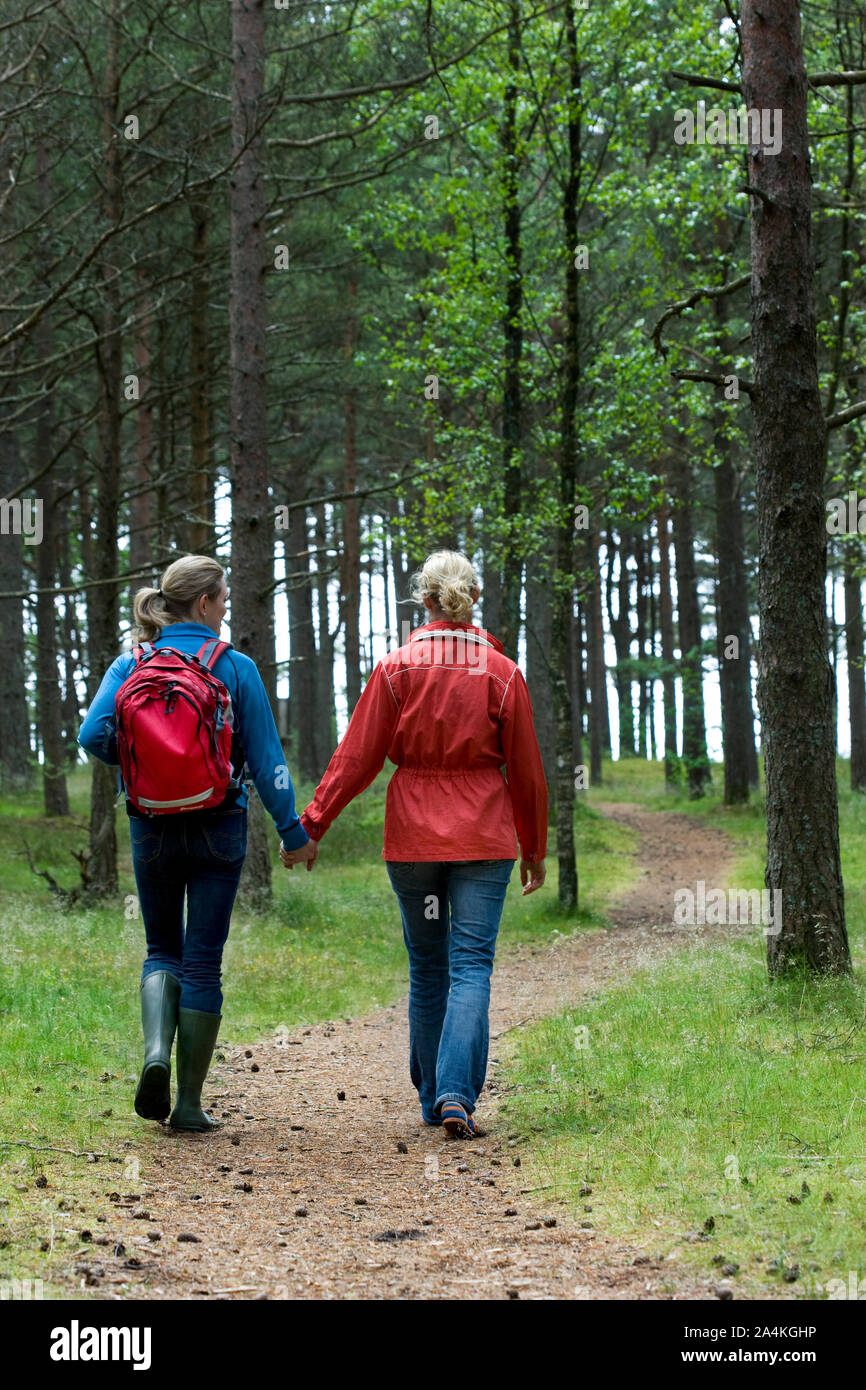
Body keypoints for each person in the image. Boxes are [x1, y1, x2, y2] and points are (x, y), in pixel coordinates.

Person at [283, 550, 548, 1138]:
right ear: (470, 598)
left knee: (428, 966)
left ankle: (434, 1097)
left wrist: (311, 825)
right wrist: (533, 847)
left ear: (423, 599)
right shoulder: (502, 673)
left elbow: (358, 756)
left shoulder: (396, 668)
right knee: (471, 965)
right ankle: (456, 1094)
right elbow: (527, 771)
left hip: (414, 838)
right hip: (483, 836)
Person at [78, 554, 316, 1132]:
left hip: (150, 825)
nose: (225, 608)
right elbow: (267, 762)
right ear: (205, 603)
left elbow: (92, 735)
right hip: (220, 827)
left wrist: (142, 765)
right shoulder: (233, 667)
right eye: (224, 599)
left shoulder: (131, 662)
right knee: (203, 962)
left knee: (162, 949)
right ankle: (187, 1105)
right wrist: (294, 834)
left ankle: (154, 1052)